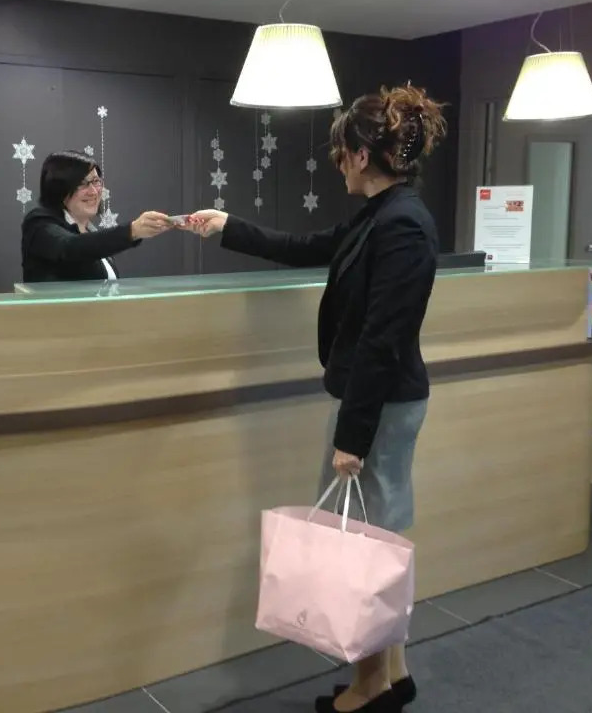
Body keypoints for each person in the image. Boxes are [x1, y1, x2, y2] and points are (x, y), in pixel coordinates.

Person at [187, 83, 447, 713]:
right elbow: (309, 248)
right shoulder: (382, 213)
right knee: (376, 540)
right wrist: (228, 228)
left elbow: (383, 340)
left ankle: (370, 685)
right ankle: (394, 673)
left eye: (340, 155)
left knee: (362, 547)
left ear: (360, 154)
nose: (338, 167)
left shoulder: (402, 224)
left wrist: (351, 439)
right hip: (377, 401)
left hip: (378, 406)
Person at [21, 151, 172, 282]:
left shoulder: (91, 231)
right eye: (82, 183)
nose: (93, 191)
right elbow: (70, 248)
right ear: (59, 188)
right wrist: (132, 231)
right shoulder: (39, 223)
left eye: (96, 181)